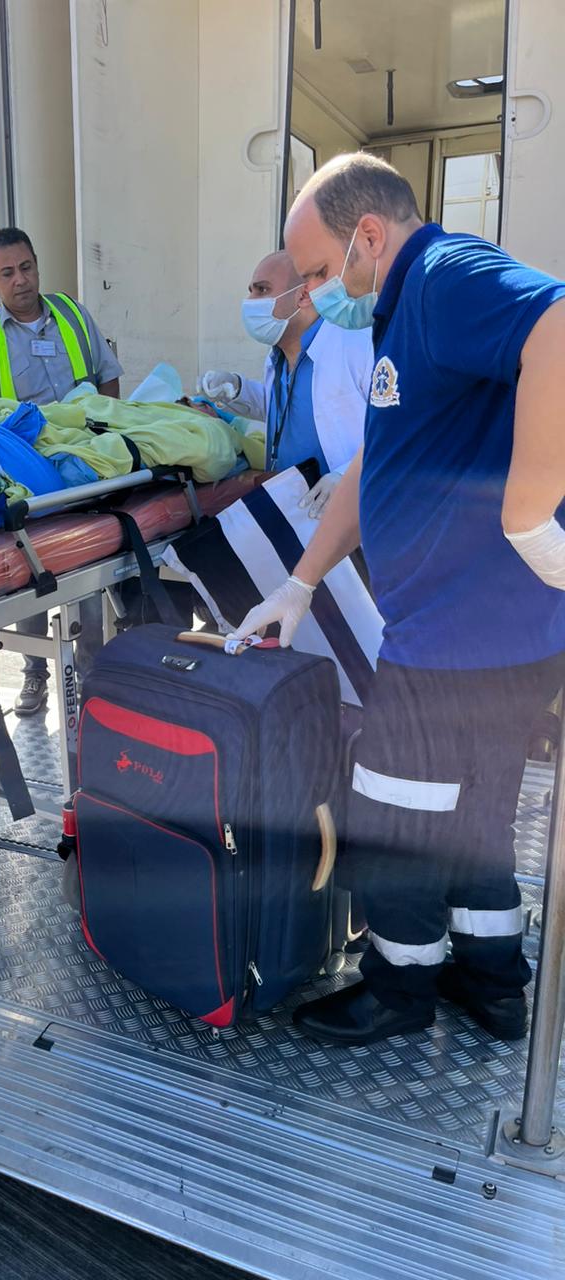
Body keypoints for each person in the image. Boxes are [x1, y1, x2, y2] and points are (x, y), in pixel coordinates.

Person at [229, 152, 565, 1046]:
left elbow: (561, 327)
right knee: (477, 811)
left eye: (314, 270)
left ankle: (401, 988)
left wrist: (531, 512)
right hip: (501, 636)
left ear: (368, 236)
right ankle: (493, 982)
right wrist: (299, 583)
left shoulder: (446, 276)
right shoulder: (402, 312)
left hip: (457, 637)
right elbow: (377, 463)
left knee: (392, 813)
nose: (310, 291)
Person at [0, 227, 124, 716]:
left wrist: (104, 438)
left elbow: (108, 377)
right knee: (32, 579)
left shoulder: (73, 314)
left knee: (87, 579)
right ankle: (35, 673)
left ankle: (92, 677)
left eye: (26, 267)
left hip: (85, 471)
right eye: (7, 272)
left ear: (37, 265)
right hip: (28, 479)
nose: (21, 280)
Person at [200, 249, 371, 515]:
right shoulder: (279, 355)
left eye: (262, 290)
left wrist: (347, 475)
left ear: (303, 295)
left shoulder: (358, 345)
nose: (249, 301)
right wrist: (237, 389)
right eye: (250, 291)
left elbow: (402, 427)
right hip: (294, 506)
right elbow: (288, 410)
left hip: (349, 510)